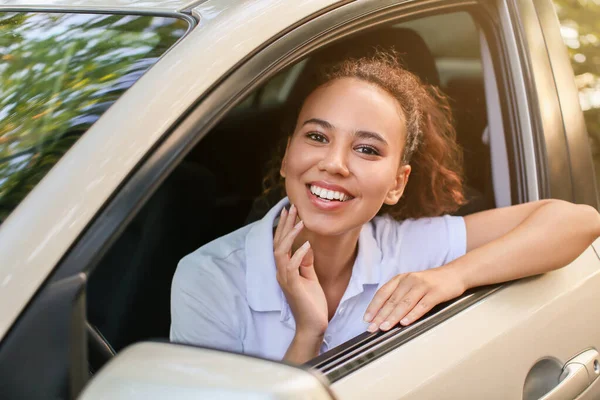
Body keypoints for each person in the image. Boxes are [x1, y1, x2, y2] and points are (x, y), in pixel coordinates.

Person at [170, 52, 600, 364]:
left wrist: (451, 276)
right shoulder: (209, 279)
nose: (334, 164)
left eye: (366, 149)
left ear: (397, 183)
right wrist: (309, 333)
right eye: (317, 137)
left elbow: (578, 220)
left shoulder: (407, 246)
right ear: (287, 157)